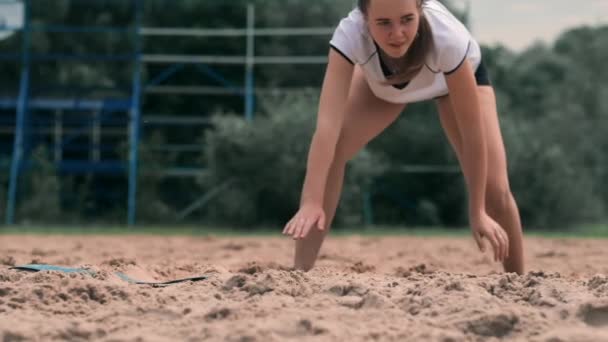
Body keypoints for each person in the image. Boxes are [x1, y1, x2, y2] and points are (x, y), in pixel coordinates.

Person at [282, 0, 525, 275]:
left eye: (407, 20)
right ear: (364, 17)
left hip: (450, 83)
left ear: (420, 8)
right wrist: (311, 201)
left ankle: (519, 282)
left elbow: (473, 135)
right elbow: (327, 128)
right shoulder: (349, 35)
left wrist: (477, 210)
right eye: (383, 23)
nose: (397, 34)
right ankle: (299, 274)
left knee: (495, 190)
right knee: (333, 152)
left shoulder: (447, 38)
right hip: (385, 88)